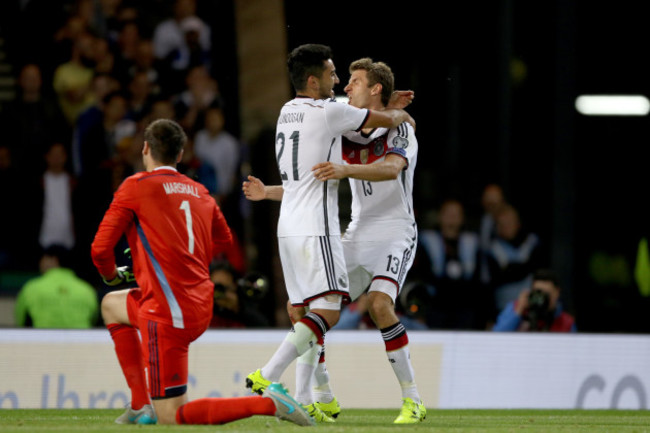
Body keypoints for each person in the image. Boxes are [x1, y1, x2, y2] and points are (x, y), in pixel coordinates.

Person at [90, 118, 313, 426]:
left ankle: (267, 404)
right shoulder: (200, 191)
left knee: (173, 416)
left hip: (166, 313)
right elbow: (224, 240)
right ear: (180, 155)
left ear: (145, 149)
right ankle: (141, 405)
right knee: (112, 305)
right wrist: (181, 254)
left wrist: (112, 274)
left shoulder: (136, 186)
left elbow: (100, 250)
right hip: (199, 305)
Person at [243, 54, 424, 424]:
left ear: (374, 89)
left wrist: (346, 168)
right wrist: (270, 193)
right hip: (358, 231)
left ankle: (412, 399)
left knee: (378, 304)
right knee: (315, 308)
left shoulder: (401, 131)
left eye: (354, 82)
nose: (345, 86)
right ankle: (319, 394)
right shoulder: (349, 131)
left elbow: (391, 169)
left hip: (395, 233)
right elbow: (312, 180)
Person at [415, 199, 481, 330]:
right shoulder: (427, 241)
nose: (452, 218)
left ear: (462, 219)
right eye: (448, 214)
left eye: (456, 215)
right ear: (440, 217)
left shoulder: (472, 243)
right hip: (435, 308)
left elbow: (479, 283)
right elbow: (420, 278)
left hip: (465, 308)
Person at [15, 245, 98, 328]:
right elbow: (94, 320)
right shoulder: (87, 290)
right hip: (81, 340)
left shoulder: (31, 288)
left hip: (41, 340)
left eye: (43, 259)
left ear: (53, 260)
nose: (40, 263)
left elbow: (21, 321)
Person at [485, 203, 543, 317]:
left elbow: (535, 270)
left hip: (532, 308)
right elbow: (497, 278)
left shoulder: (532, 243)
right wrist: (523, 266)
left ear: (518, 223)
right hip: (503, 309)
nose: (507, 226)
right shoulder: (492, 249)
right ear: (497, 227)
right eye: (503, 224)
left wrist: (509, 268)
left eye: (510, 222)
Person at [492, 268, 576, 332]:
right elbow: (496, 337)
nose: (541, 298)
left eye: (546, 294)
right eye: (538, 293)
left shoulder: (567, 322)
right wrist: (518, 311)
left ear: (557, 292)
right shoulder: (516, 309)